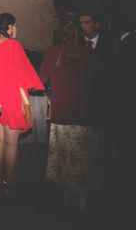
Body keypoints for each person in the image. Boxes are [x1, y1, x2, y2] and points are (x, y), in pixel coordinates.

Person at [0, 15, 44, 196]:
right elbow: (23, 75)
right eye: (15, 26)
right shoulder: (14, 45)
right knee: (11, 144)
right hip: (11, 98)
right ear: (9, 27)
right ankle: (10, 185)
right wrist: (26, 101)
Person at [40, 18, 102, 213]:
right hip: (85, 115)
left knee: (64, 158)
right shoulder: (90, 53)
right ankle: (83, 199)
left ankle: (66, 196)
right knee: (82, 159)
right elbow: (98, 85)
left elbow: (41, 81)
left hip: (62, 114)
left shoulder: (51, 52)